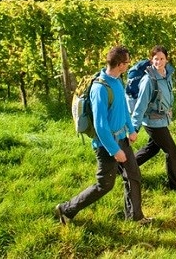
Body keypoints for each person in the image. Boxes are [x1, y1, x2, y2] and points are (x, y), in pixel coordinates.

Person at [55, 45, 151, 225]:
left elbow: (123, 109)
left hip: (123, 139)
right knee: (105, 185)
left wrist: (131, 129)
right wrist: (114, 150)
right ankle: (66, 209)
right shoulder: (100, 88)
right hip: (106, 145)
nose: (128, 66)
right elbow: (100, 125)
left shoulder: (117, 81)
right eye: (127, 63)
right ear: (120, 65)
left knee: (133, 175)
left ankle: (135, 217)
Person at [131, 45, 176, 191]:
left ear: (166, 60)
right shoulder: (148, 80)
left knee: (152, 149)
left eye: (162, 58)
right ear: (151, 60)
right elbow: (140, 106)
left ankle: (123, 168)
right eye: (156, 59)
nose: (159, 62)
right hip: (153, 122)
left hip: (162, 120)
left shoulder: (167, 75)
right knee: (172, 151)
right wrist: (134, 128)